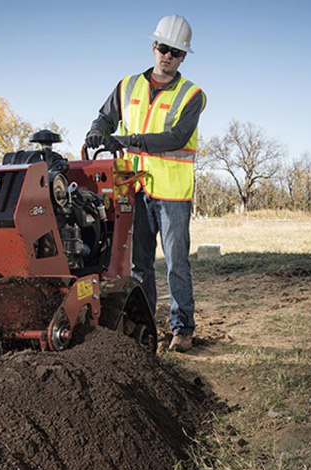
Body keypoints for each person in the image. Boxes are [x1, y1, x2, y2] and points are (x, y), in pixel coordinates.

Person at [85, 14, 206, 352]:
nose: (168, 56)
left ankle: (182, 329)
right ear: (153, 47)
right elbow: (105, 118)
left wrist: (128, 141)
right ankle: (146, 326)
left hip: (171, 194)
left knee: (176, 263)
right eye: (164, 48)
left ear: (183, 57)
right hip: (133, 190)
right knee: (139, 264)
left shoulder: (193, 95)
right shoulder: (127, 86)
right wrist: (98, 132)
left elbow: (176, 137)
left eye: (176, 52)